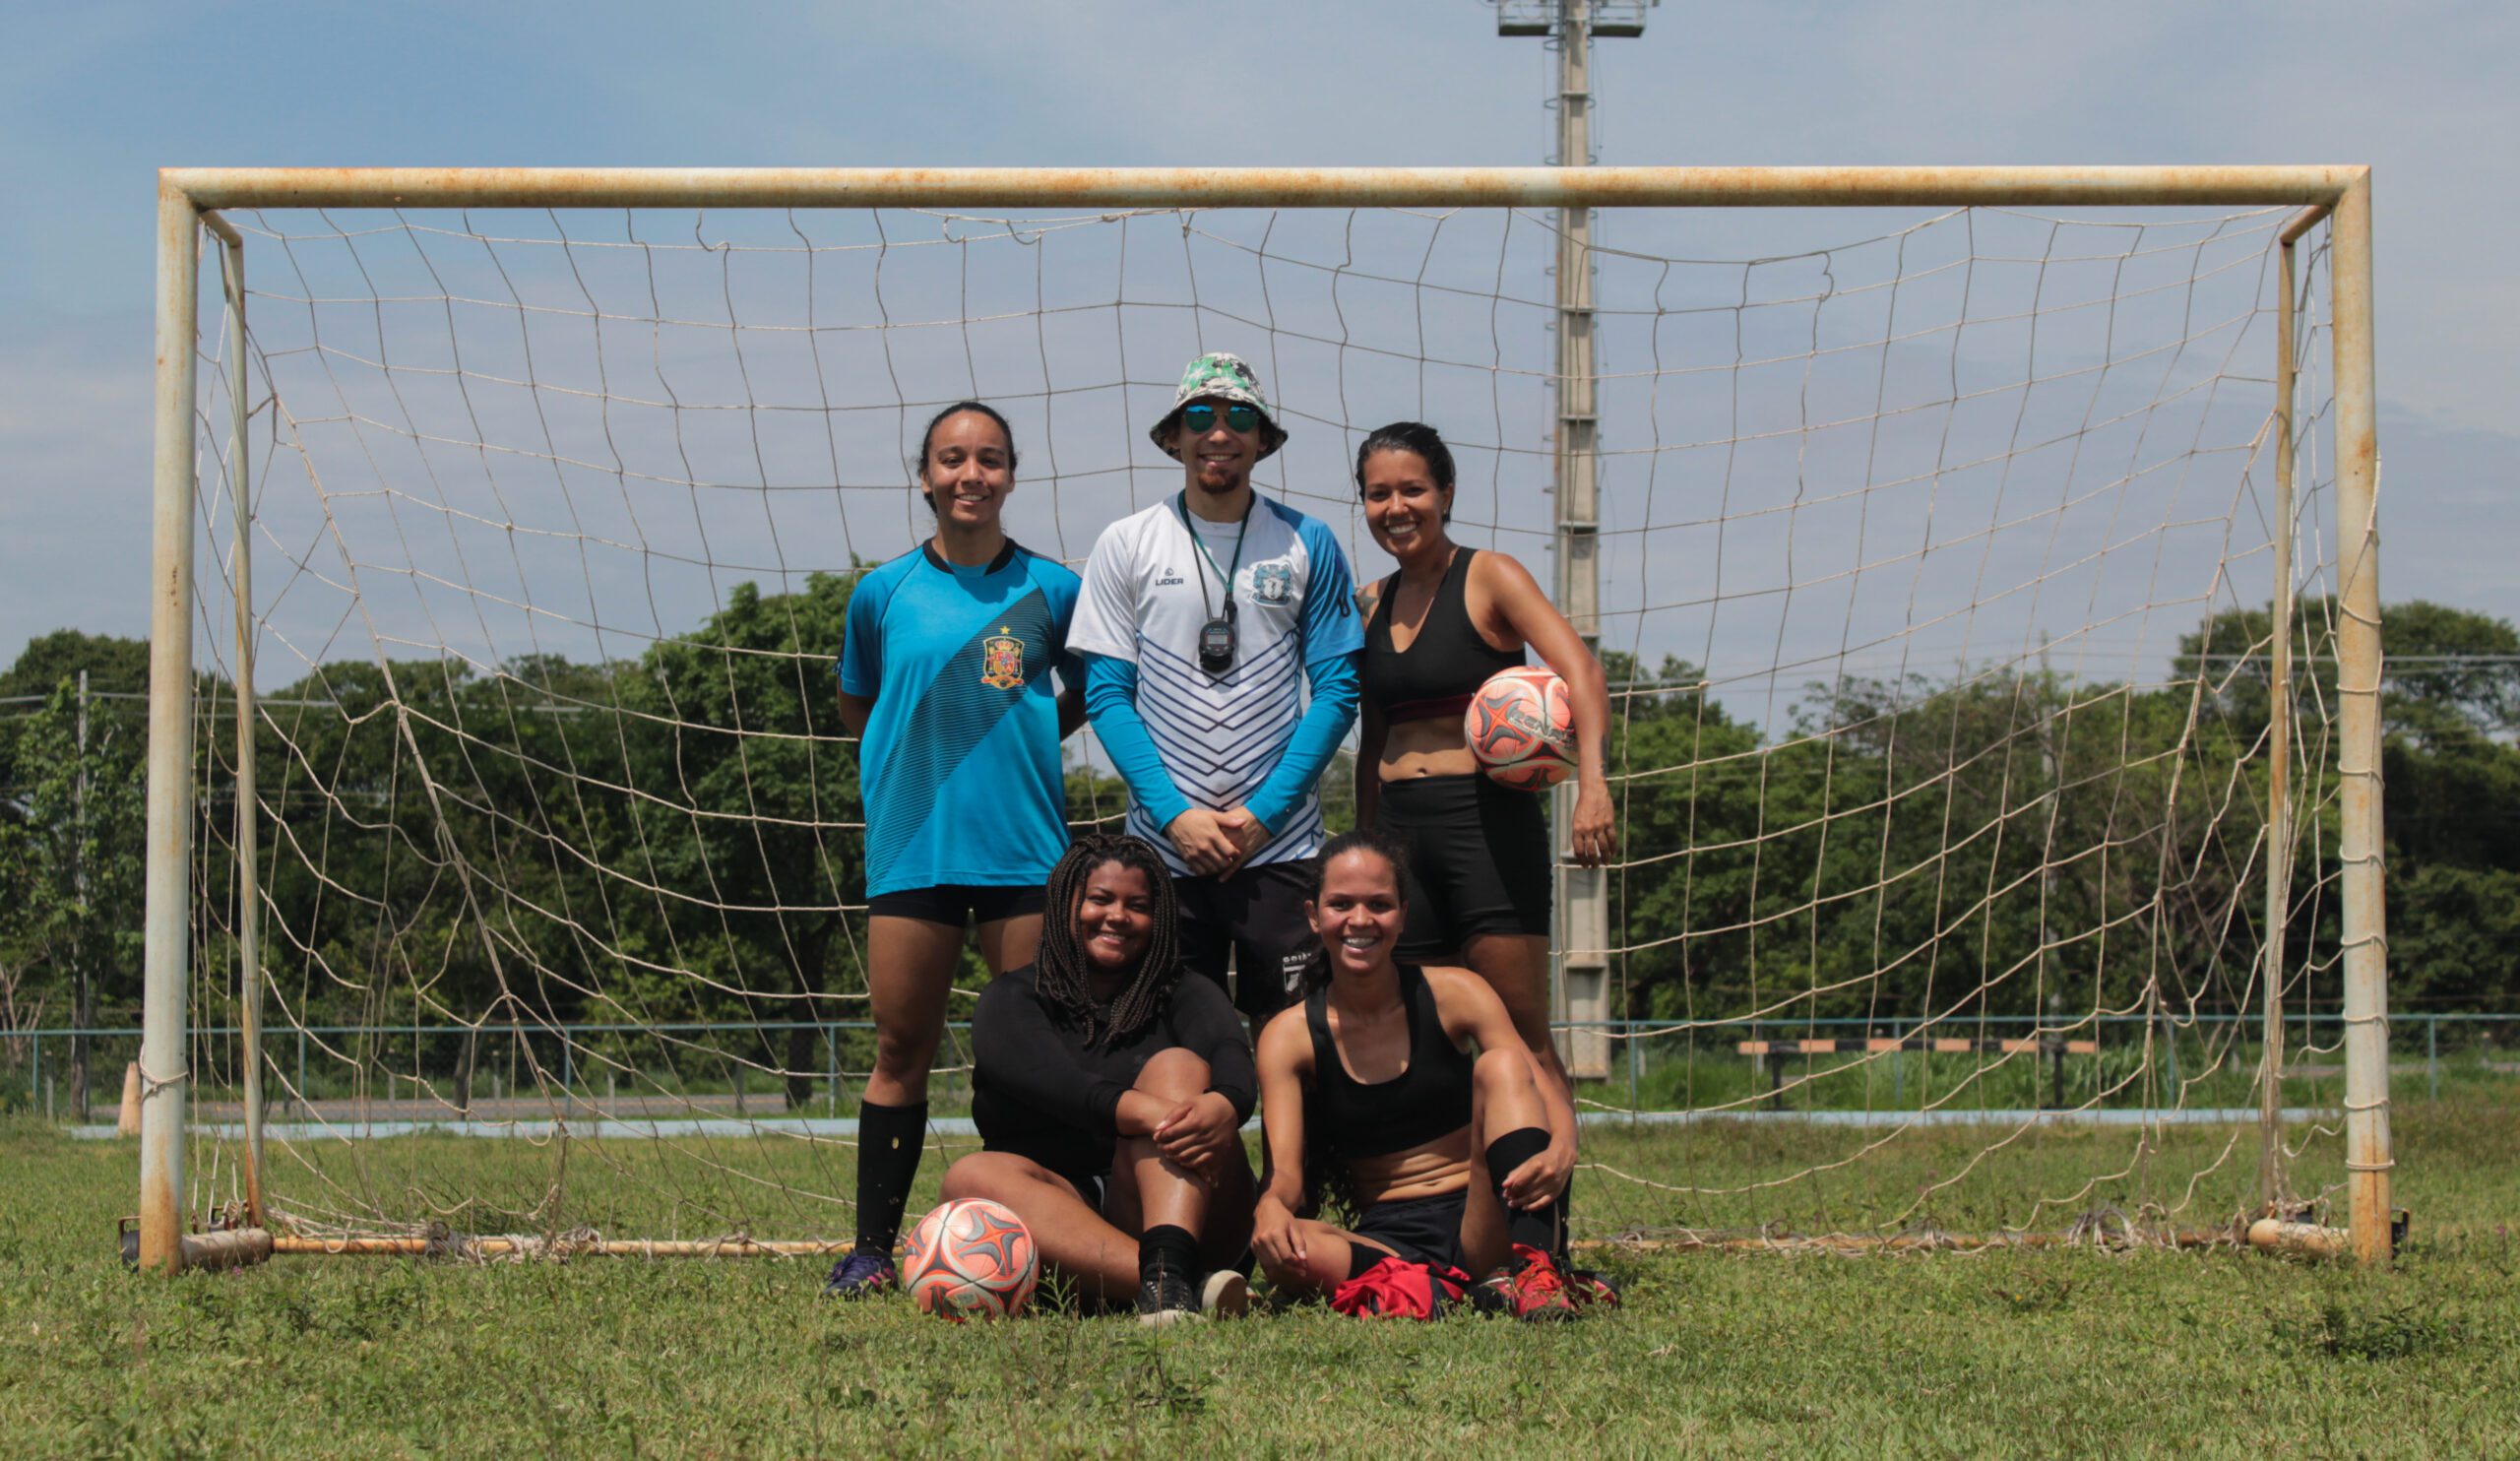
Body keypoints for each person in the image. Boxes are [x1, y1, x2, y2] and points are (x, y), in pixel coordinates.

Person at [823, 401, 1086, 1297]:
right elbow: (862, 705)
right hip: (913, 847)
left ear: (1012, 475)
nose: (971, 474)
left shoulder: (1054, 589)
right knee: (903, 1046)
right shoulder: (881, 593)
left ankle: (1039, 1242)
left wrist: (1016, 737)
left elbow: (1086, 695)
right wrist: (922, 756)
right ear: (924, 475)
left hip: (1024, 851)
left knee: (1027, 1054)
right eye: (952, 459)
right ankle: (868, 1250)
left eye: (989, 459)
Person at [1350, 420, 1614, 1262]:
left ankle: (1547, 1246)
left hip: (1483, 825)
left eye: (1412, 490)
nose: (1397, 507)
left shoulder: (1490, 575)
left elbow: (1581, 669)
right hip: (1398, 836)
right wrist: (1364, 844)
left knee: (1519, 1033)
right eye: (1379, 493)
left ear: (1447, 493)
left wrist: (1594, 783)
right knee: (1431, 1037)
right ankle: (1455, 1235)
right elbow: (1374, 728)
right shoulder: (1370, 600)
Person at [1069, 352, 1364, 1023]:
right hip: (1164, 852)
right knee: (1169, 1053)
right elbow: (1107, 696)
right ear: (1174, 435)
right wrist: (1176, 815)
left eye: (1240, 417)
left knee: (1300, 1049)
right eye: (1200, 415)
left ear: (1264, 439)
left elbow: (1340, 691)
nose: (1219, 431)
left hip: (1283, 848)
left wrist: (1265, 815)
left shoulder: (1307, 540)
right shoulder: (1126, 542)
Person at [1249, 829, 1585, 1321]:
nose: (1359, 920)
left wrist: (1563, 1147)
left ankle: (1534, 1272)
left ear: (1403, 916)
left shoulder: (1457, 992)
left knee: (1502, 1063)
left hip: (1488, 1214)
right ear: (1312, 915)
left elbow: (1531, 1075)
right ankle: (1477, 1293)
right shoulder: (1288, 1035)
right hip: (1388, 1240)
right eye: (1340, 904)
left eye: (1379, 905)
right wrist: (1270, 1210)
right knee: (1293, 1253)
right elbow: (1286, 1179)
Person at [942, 835, 1258, 1325]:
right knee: (970, 1177)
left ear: (1160, 919)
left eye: (1138, 905)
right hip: (1064, 1221)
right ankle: (1171, 1285)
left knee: (1178, 1068)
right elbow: (1059, 1086)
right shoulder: (1010, 998)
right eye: (1100, 899)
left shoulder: (1186, 991)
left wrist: (1226, 1104)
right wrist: (1151, 1112)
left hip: (1188, 1208)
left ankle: (1170, 1268)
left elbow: (1233, 1057)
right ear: (1066, 904)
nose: (1117, 916)